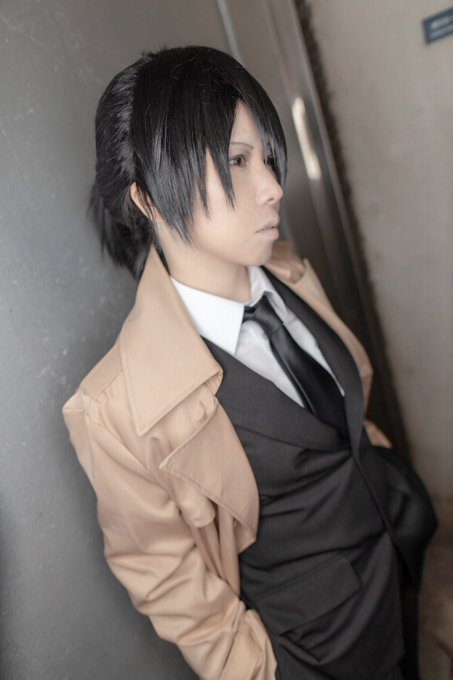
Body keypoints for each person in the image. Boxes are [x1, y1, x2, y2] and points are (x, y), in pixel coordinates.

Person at [62, 46, 436, 680]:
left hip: (408, 571)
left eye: (265, 156)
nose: (272, 187)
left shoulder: (288, 273)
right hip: (320, 655)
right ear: (148, 199)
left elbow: (347, 422)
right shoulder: (114, 410)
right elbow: (168, 584)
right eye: (237, 160)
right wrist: (264, 671)